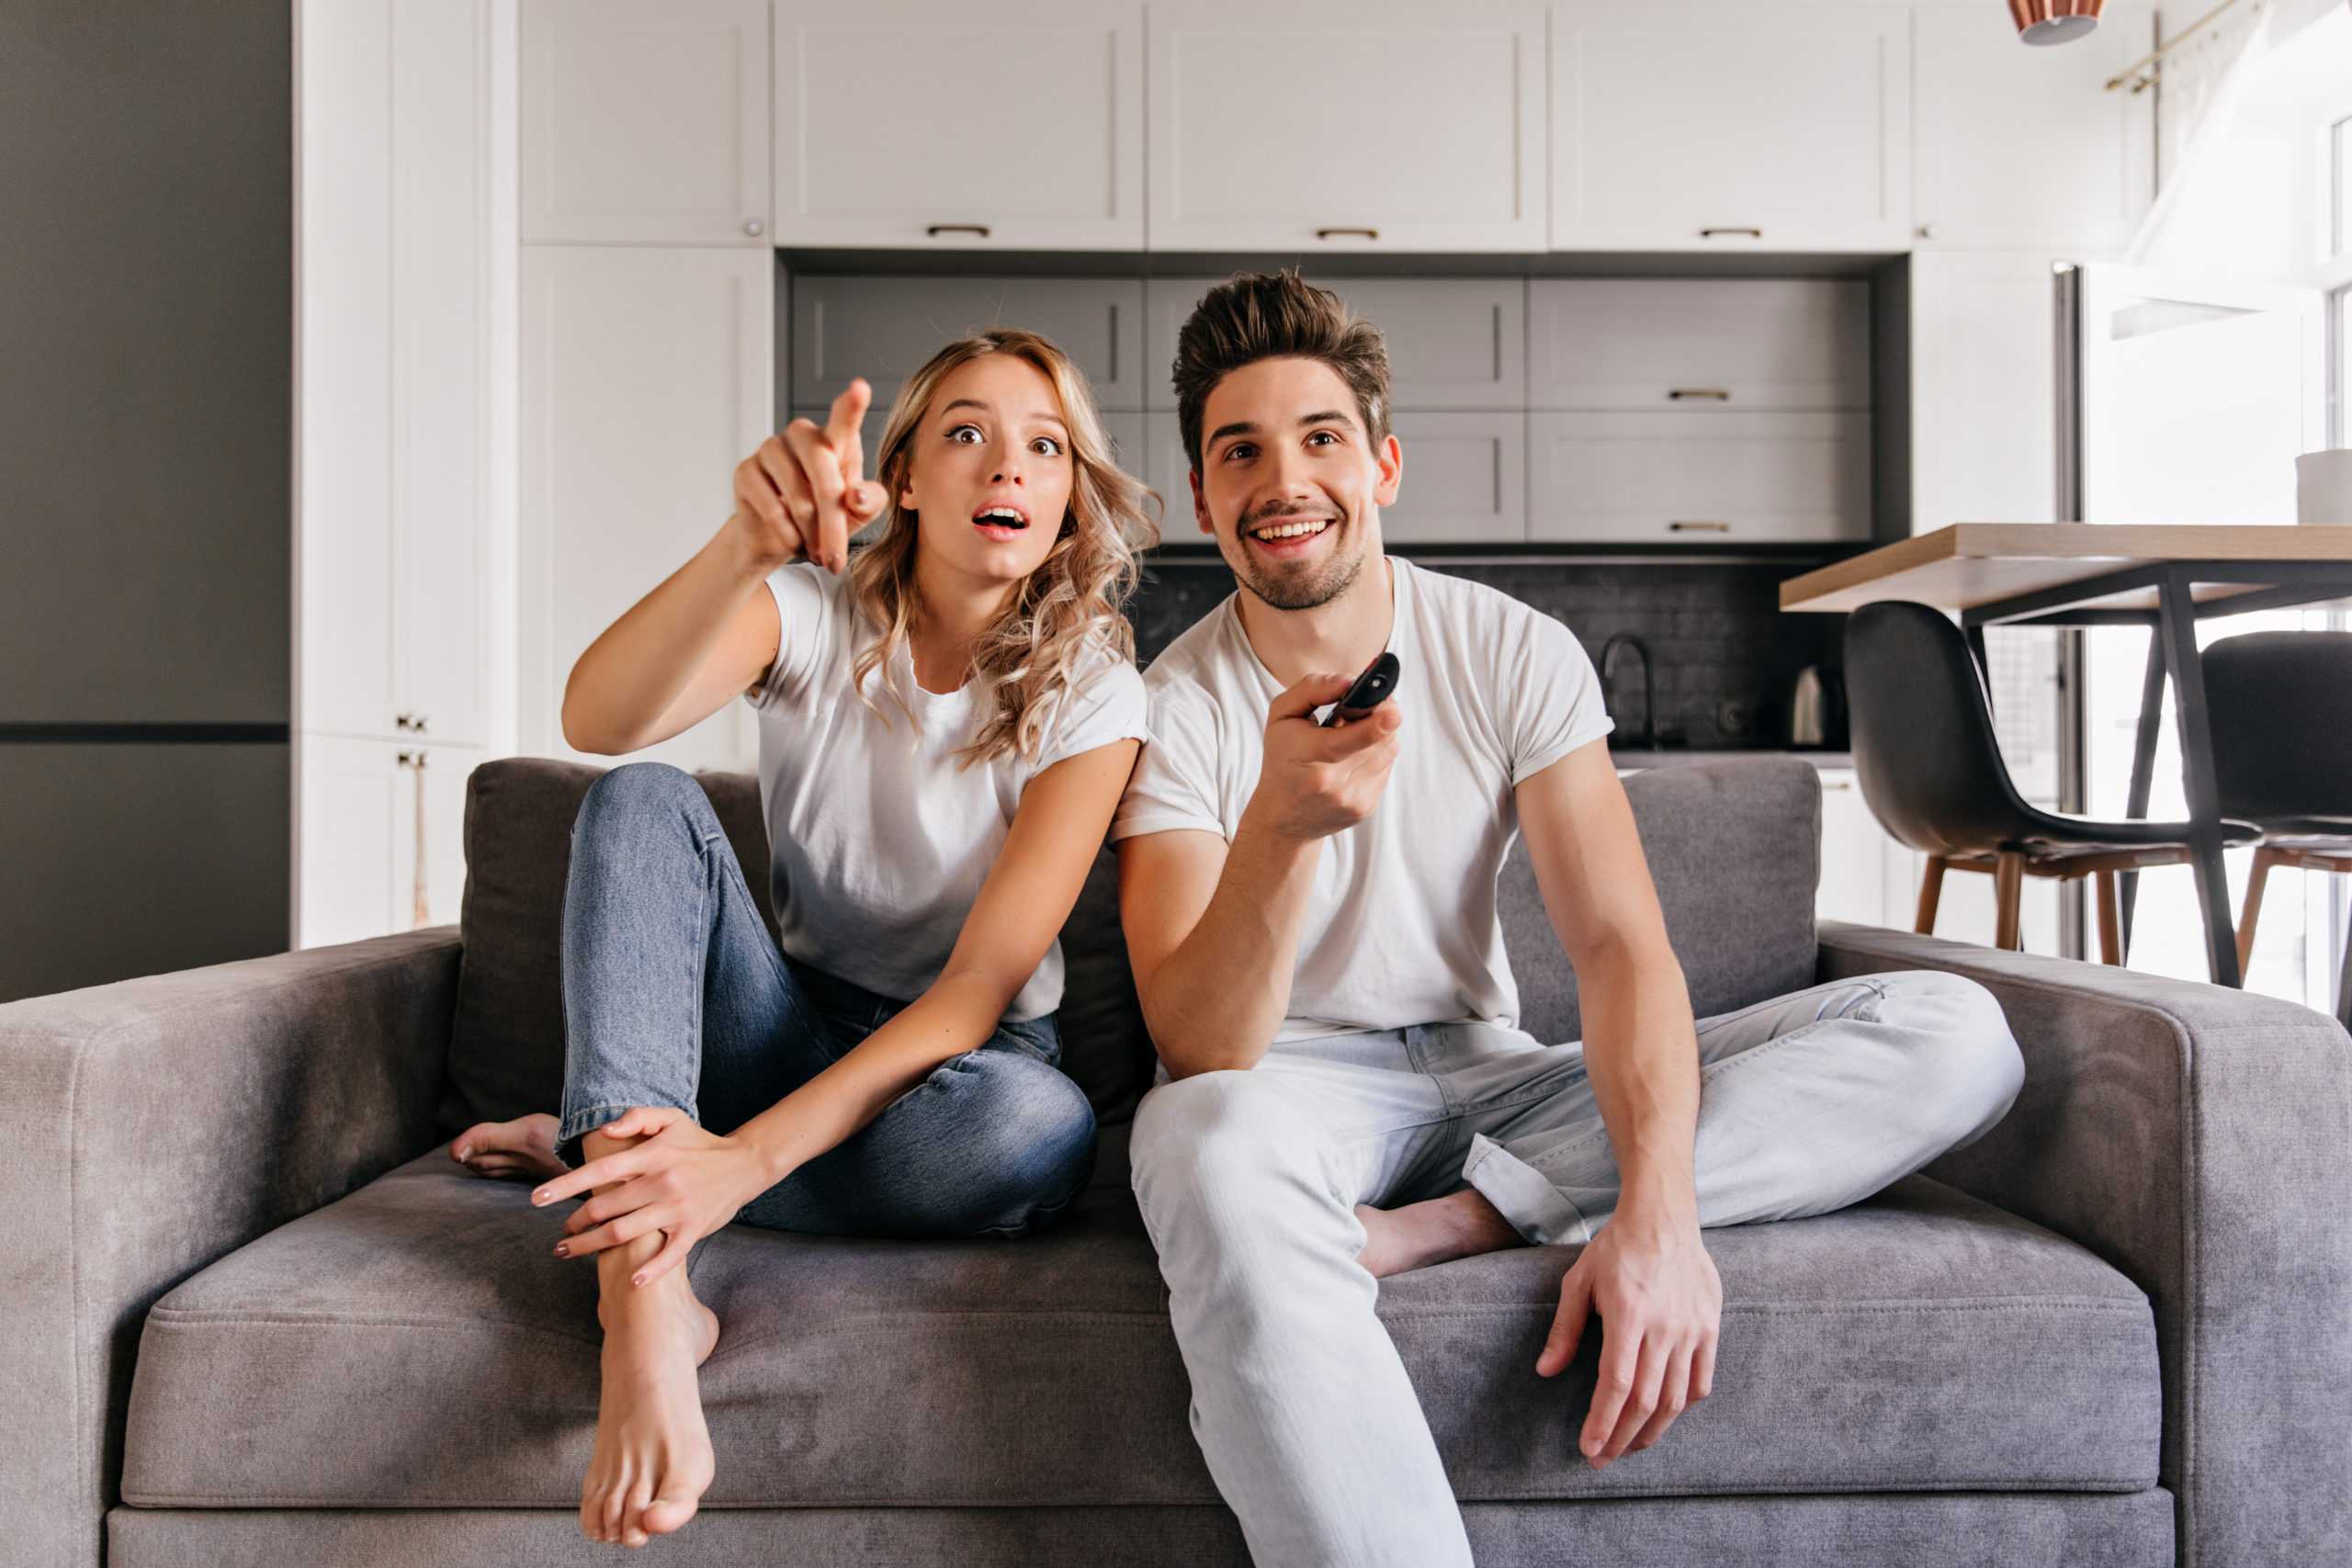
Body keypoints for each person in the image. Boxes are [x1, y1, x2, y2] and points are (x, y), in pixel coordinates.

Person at [1108, 270, 2027, 1567]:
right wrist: (1278, 829)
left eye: (1320, 438)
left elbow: (1616, 948)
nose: (1283, 479)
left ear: (1383, 465)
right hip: (1290, 1097)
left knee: (1954, 1032)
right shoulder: (1173, 704)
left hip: (1497, 1079)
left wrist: (1659, 1214)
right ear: (1204, 498)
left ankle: (1457, 1224)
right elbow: (1202, 1046)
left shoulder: (1511, 647)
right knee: (1195, 1135)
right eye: (1239, 450)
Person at [449, 329, 1159, 1550]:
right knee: (638, 798)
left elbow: (978, 988)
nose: (1010, 468)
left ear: (1069, 497)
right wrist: (746, 547)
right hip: (783, 1024)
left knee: (1045, 1134)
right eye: (966, 434)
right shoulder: (814, 615)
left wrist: (739, 1165)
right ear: (906, 480)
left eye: (1046, 447)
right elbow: (599, 718)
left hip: (958, 1070)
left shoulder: (1096, 683)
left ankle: (620, 1135)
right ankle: (647, 1290)